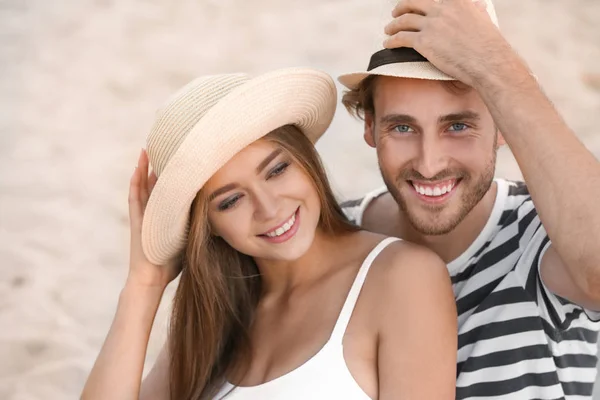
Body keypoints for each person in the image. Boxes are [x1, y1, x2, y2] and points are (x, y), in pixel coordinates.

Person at [80, 67, 457, 400]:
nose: (269, 208)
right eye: (230, 201)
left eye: (276, 170)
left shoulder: (402, 277)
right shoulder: (214, 316)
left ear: (306, 158)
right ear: (208, 226)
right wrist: (143, 287)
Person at [338, 0, 600, 399]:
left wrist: (493, 64)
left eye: (458, 125)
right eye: (403, 127)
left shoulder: (540, 231)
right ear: (370, 128)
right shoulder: (336, 236)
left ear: (503, 126)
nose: (429, 165)